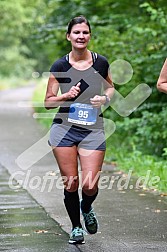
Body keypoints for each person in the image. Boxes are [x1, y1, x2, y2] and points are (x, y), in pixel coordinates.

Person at [44, 15, 114, 244]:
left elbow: (111, 88)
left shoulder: (101, 62)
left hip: (93, 129)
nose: (81, 36)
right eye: (76, 32)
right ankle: (76, 227)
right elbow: (48, 102)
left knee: (89, 184)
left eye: (85, 32)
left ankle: (86, 207)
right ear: (68, 36)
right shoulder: (60, 66)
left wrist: (104, 98)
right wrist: (65, 96)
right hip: (64, 129)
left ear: (89, 36)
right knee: (72, 182)